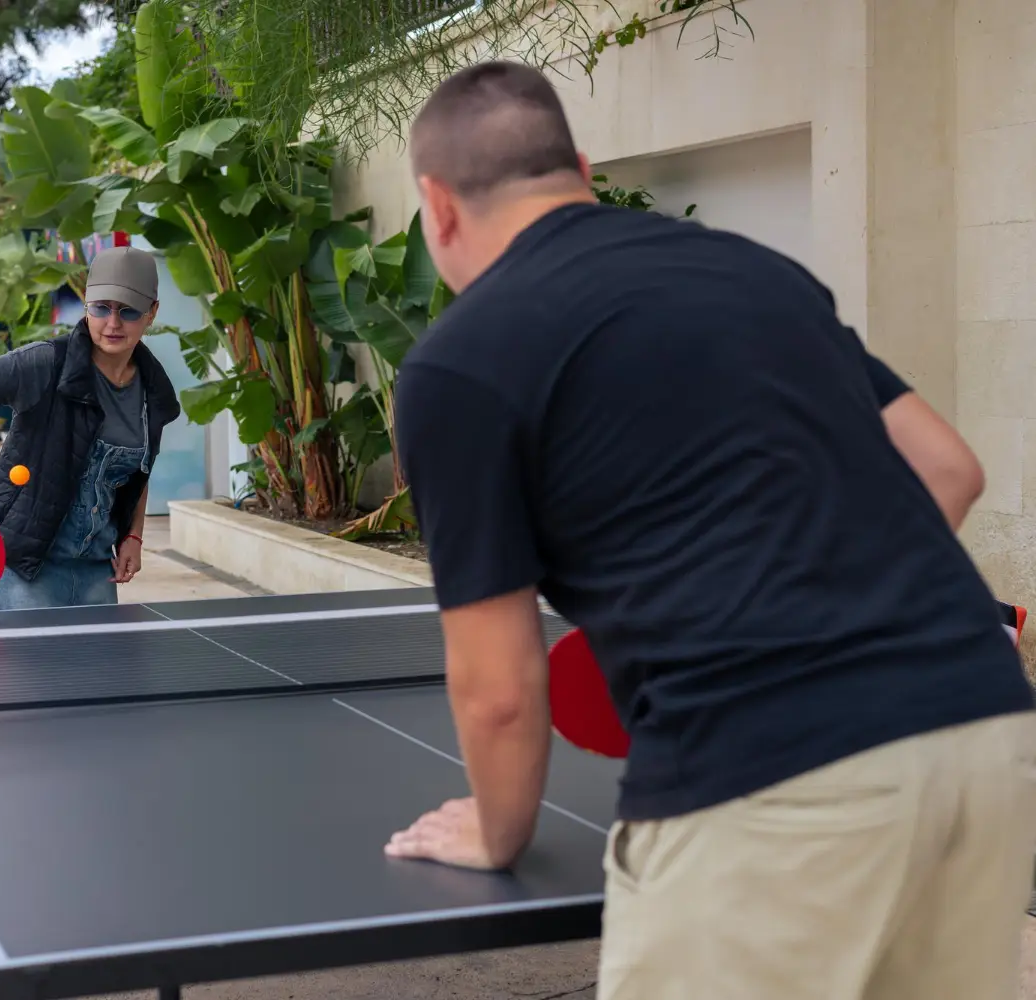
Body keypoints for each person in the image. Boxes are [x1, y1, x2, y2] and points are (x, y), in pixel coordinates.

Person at [381, 60, 1036, 1000]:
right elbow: (948, 470)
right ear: (583, 169)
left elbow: (498, 690)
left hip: (771, 780)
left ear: (437, 205)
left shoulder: (459, 364)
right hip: (983, 732)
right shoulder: (756, 273)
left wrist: (495, 832)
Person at [0, 245, 181, 610]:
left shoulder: (154, 391)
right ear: (86, 304)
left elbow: (135, 473)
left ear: (152, 313)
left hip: (96, 572)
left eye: (128, 311)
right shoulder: (47, 363)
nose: (113, 323)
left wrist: (133, 534)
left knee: (99, 669)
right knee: (29, 669)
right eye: (101, 308)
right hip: (25, 569)